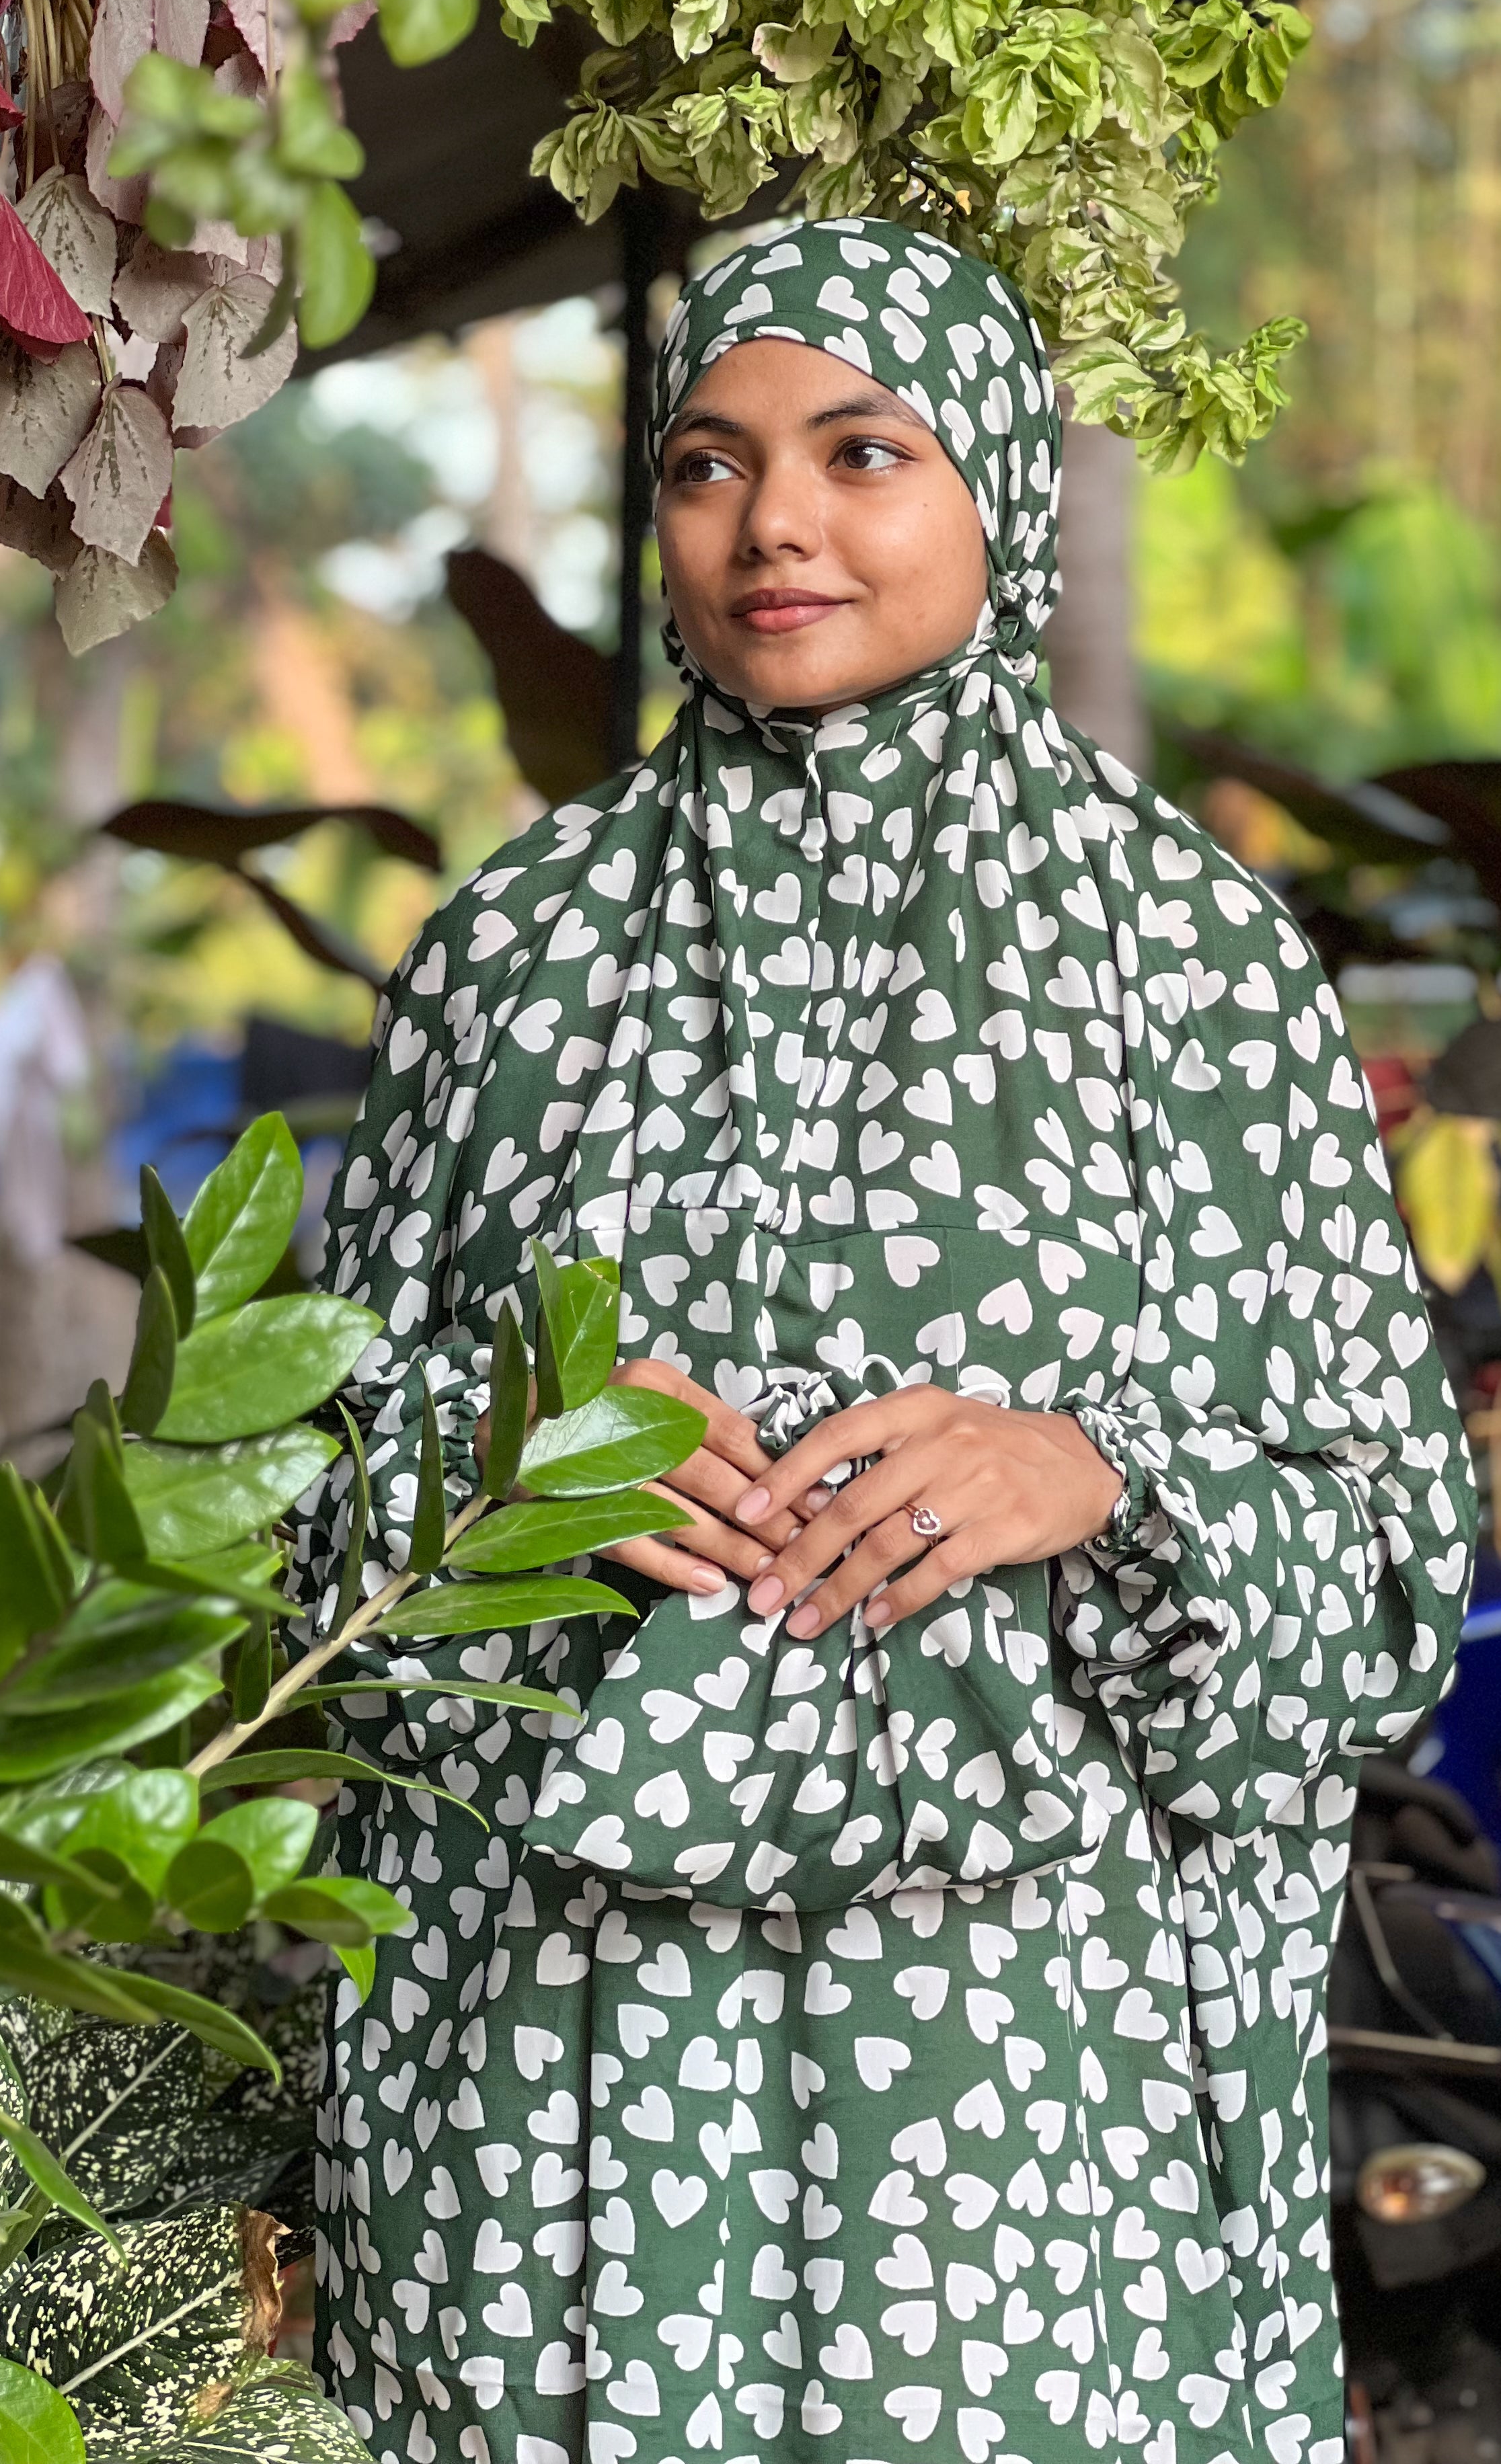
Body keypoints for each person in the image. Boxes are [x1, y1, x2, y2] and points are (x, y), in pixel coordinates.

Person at [296, 218, 1475, 2464]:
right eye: (713, 464)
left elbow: (1402, 1574)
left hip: (1040, 2108)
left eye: (866, 451)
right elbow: (294, 1525)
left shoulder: (1186, 963)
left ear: (1000, 489)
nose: (781, 526)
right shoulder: (515, 958)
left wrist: (1094, 1477)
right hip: (567, 2092)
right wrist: (512, 1444)